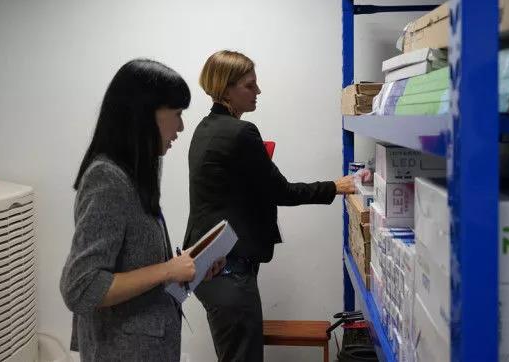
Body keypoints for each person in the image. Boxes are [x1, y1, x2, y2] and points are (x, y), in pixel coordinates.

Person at [183, 50, 360, 362]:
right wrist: (336, 186)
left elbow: (225, 191)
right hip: (228, 271)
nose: (258, 91)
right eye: (250, 86)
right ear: (226, 89)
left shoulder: (206, 128)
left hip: (208, 267)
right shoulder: (241, 132)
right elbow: (282, 191)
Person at [60, 59, 224, 362]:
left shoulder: (132, 175)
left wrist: (189, 270)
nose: (181, 127)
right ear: (145, 114)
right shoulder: (107, 179)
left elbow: (135, 268)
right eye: (177, 114)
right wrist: (167, 270)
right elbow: (81, 287)